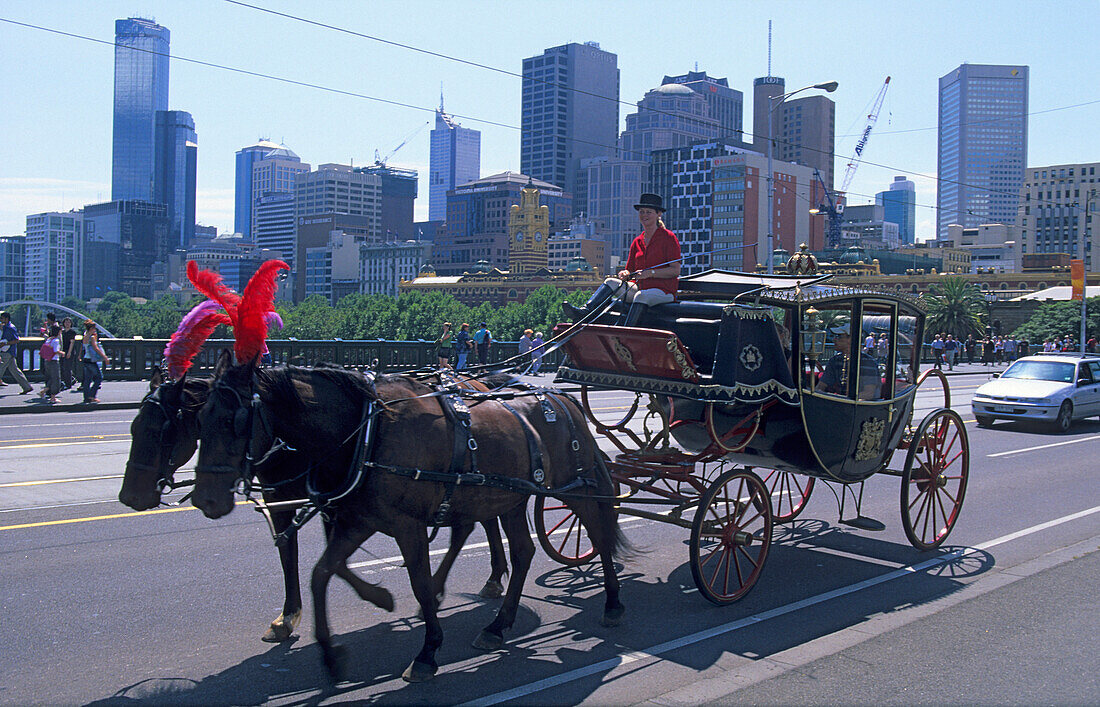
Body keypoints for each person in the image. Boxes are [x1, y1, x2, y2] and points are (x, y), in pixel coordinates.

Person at [563, 193, 681, 325]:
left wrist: (651, 273)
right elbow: (629, 271)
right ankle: (584, 313)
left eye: (649, 212)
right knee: (611, 282)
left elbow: (675, 270)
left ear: (658, 214)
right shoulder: (637, 241)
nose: (644, 215)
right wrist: (624, 274)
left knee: (641, 296)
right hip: (640, 288)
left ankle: (626, 330)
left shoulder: (669, 238)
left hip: (664, 291)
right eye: (642, 212)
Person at [817, 324, 880, 400]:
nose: (834, 339)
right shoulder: (834, 361)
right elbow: (821, 387)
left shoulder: (868, 362)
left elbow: (868, 393)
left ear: (851, 339)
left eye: (839, 336)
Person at [0, 311, 34, 395]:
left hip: (7, 352)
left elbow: (17, 340)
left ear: (6, 318)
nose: (0, 320)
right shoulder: (5, 327)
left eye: (2, 318)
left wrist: (5, 343)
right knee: (15, 371)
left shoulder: (11, 328)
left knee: (1, 368)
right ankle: (27, 387)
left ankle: (27, 387)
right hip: (9, 352)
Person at [80, 319, 110, 404]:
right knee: (99, 377)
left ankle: (86, 398)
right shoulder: (92, 337)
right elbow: (96, 348)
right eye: (94, 328)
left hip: (86, 359)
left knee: (87, 380)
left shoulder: (85, 336)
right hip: (91, 361)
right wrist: (105, 357)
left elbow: (84, 346)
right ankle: (92, 396)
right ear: (92, 328)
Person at [39, 324, 61, 403]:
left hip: (47, 361)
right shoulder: (56, 340)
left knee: (50, 378)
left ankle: (43, 391)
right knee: (56, 379)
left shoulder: (49, 339)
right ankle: (53, 397)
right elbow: (56, 351)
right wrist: (62, 352)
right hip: (54, 361)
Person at [59, 317, 78, 389]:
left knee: (68, 368)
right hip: (63, 351)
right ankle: (66, 381)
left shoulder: (72, 332)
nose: (67, 324)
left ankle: (68, 384)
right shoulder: (62, 332)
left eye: (69, 322)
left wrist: (69, 352)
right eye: (66, 322)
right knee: (62, 367)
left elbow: (72, 343)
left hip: (69, 351)